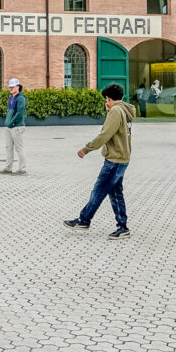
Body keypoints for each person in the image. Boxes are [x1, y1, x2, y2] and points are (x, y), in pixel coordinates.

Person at [64, 84, 136, 239]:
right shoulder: (124, 109)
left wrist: (86, 149)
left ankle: (84, 220)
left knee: (99, 190)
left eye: (107, 99)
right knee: (116, 194)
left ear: (109, 98)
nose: (106, 102)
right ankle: (122, 227)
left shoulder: (116, 111)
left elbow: (104, 135)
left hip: (114, 160)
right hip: (122, 158)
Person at [0, 77, 27, 175]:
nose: (10, 88)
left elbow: (20, 113)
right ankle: (8, 168)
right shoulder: (11, 98)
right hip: (9, 127)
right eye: (10, 87)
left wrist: (11, 122)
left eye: (13, 87)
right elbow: (9, 112)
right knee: (8, 148)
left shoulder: (21, 98)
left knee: (19, 148)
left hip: (17, 127)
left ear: (18, 87)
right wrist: (7, 123)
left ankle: (22, 169)